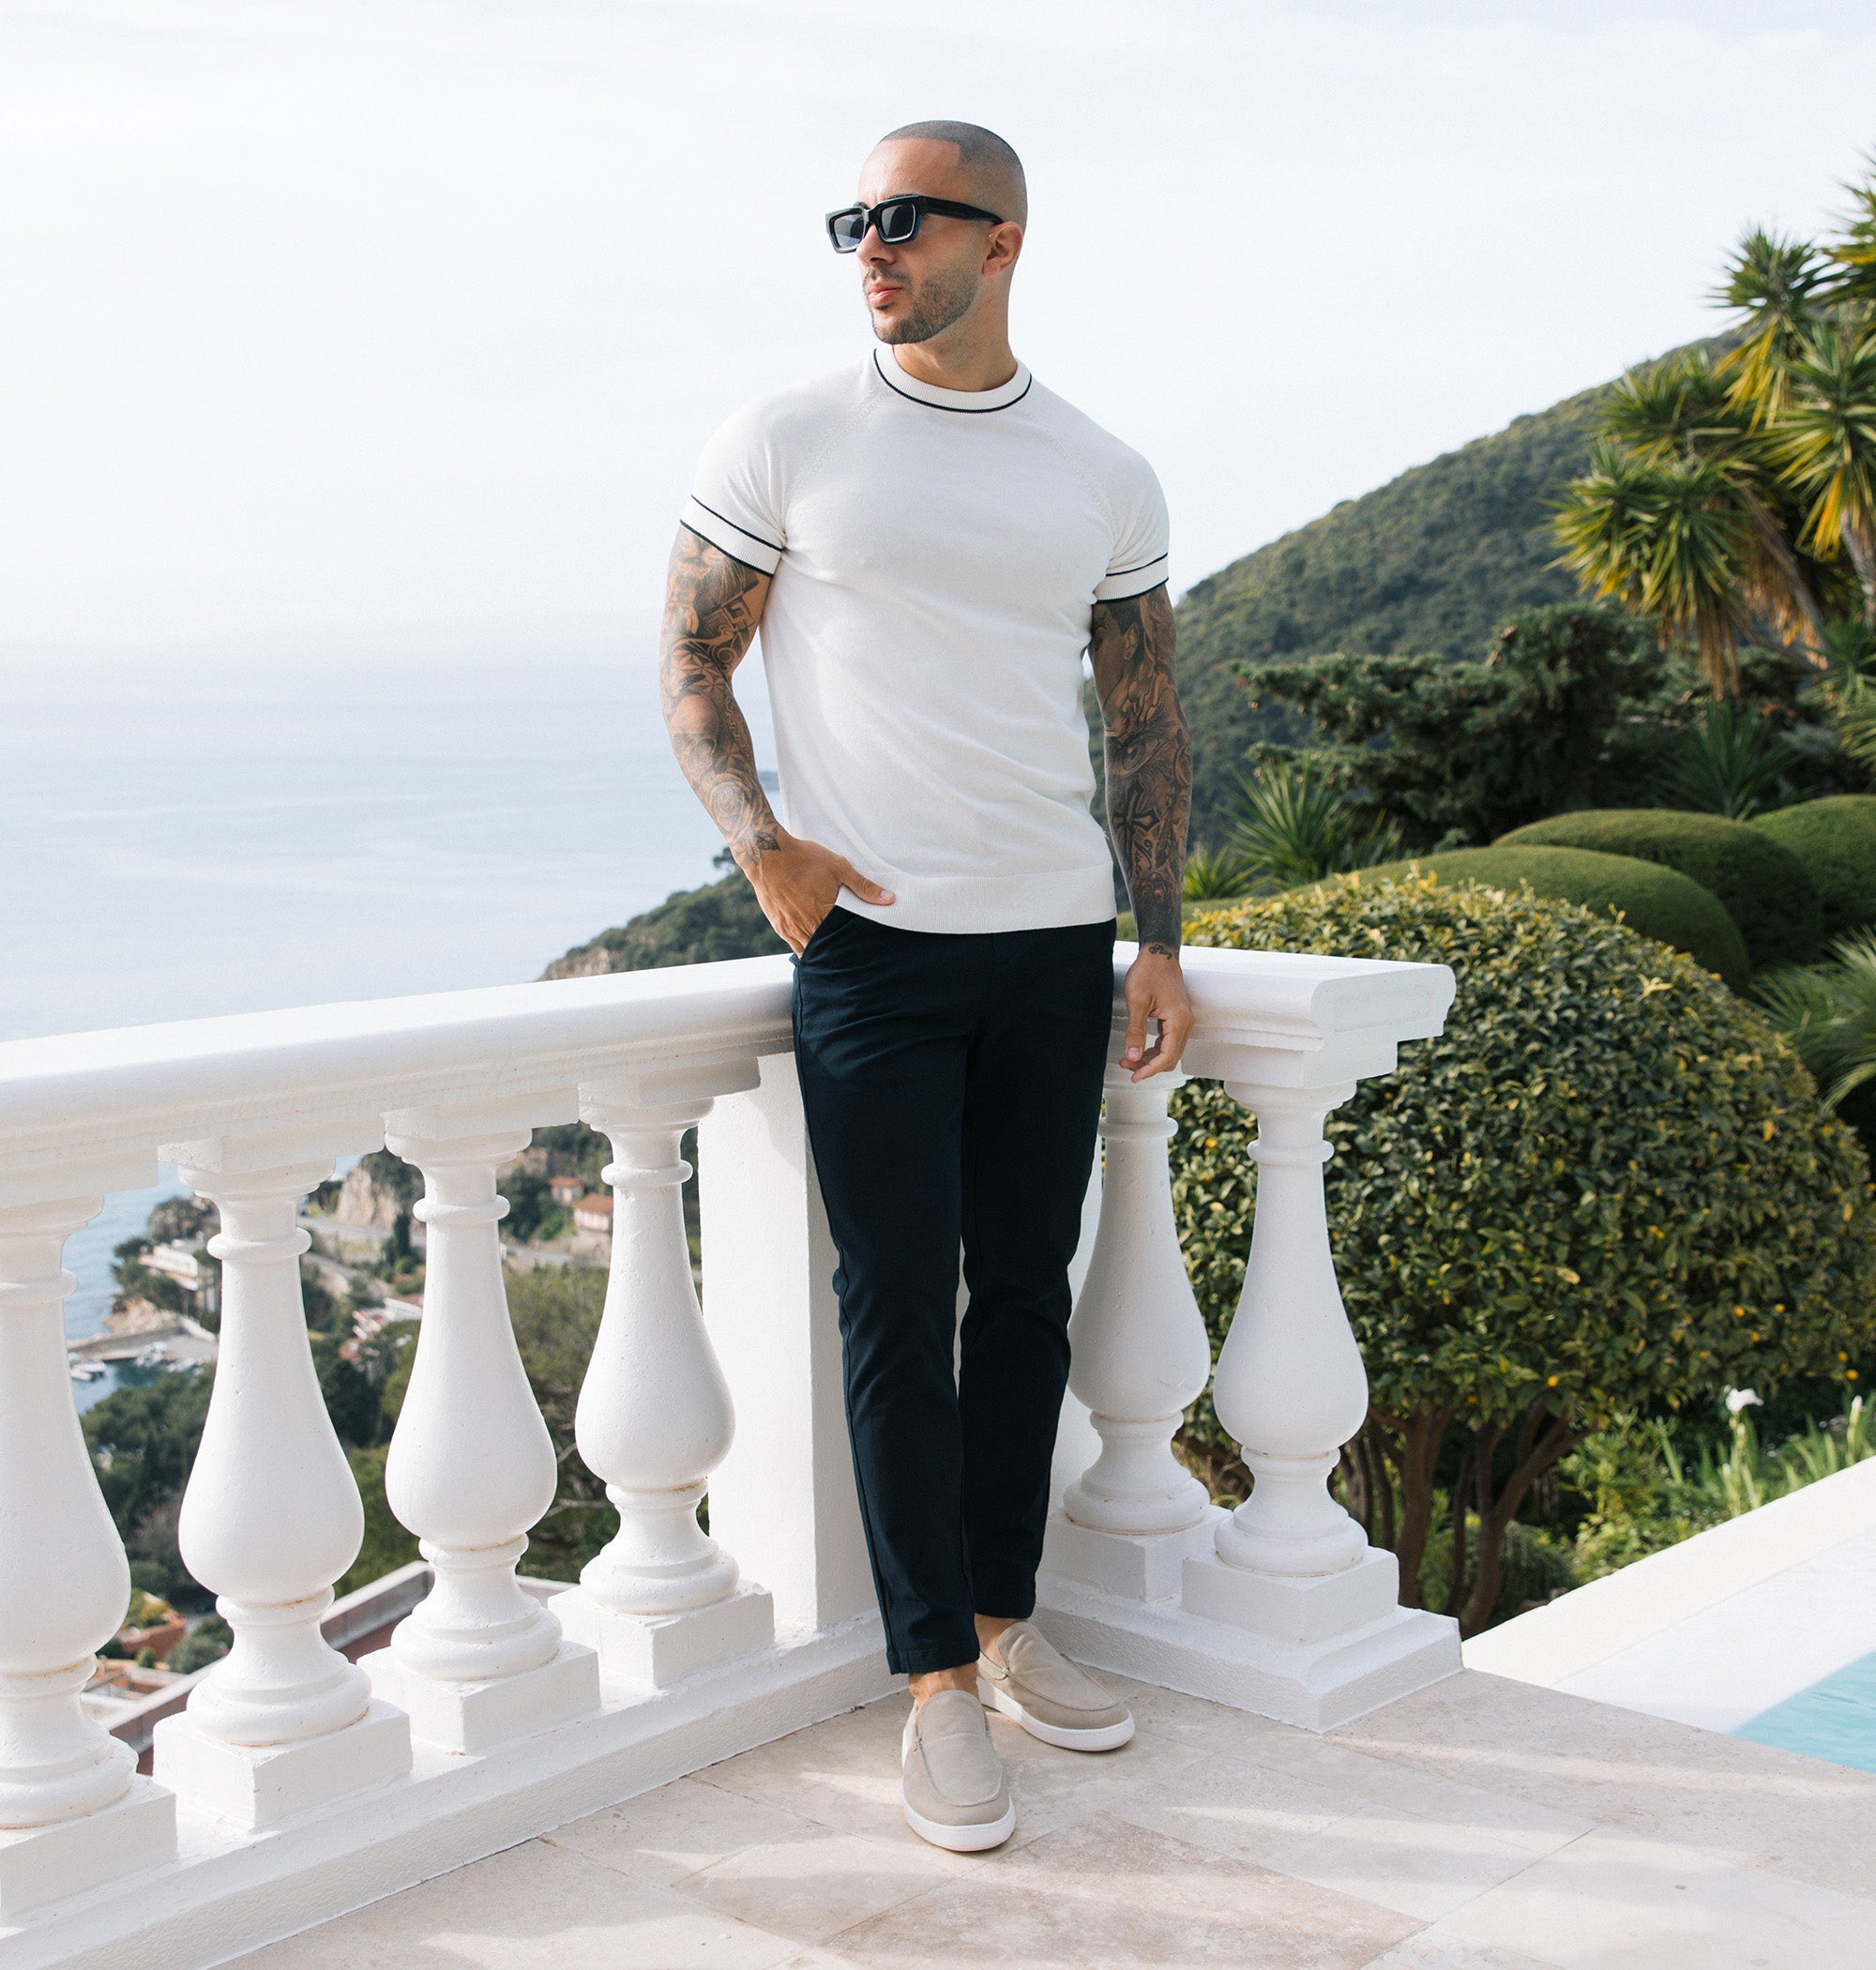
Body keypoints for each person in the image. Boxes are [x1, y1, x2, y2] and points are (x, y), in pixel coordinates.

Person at [658, 119, 1191, 1852]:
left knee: (1026, 1295)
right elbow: (691, 660)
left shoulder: (1102, 472)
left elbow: (1145, 723)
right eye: (855, 222)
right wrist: (764, 846)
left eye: (905, 218)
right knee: (897, 1302)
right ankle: (934, 1687)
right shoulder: (787, 437)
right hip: (874, 954)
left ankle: (1003, 1622)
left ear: (1002, 240)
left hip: (1052, 945)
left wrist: (1160, 934)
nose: (872, 248)